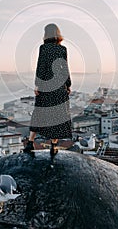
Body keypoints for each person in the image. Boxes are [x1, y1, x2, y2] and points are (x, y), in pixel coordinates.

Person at [23, 23, 72, 157]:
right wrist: (68, 84)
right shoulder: (62, 50)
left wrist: (37, 84)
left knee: (39, 114)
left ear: (46, 34)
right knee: (57, 116)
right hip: (59, 87)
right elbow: (65, 69)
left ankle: (30, 142)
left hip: (45, 86)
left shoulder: (43, 48)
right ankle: (53, 145)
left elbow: (41, 67)